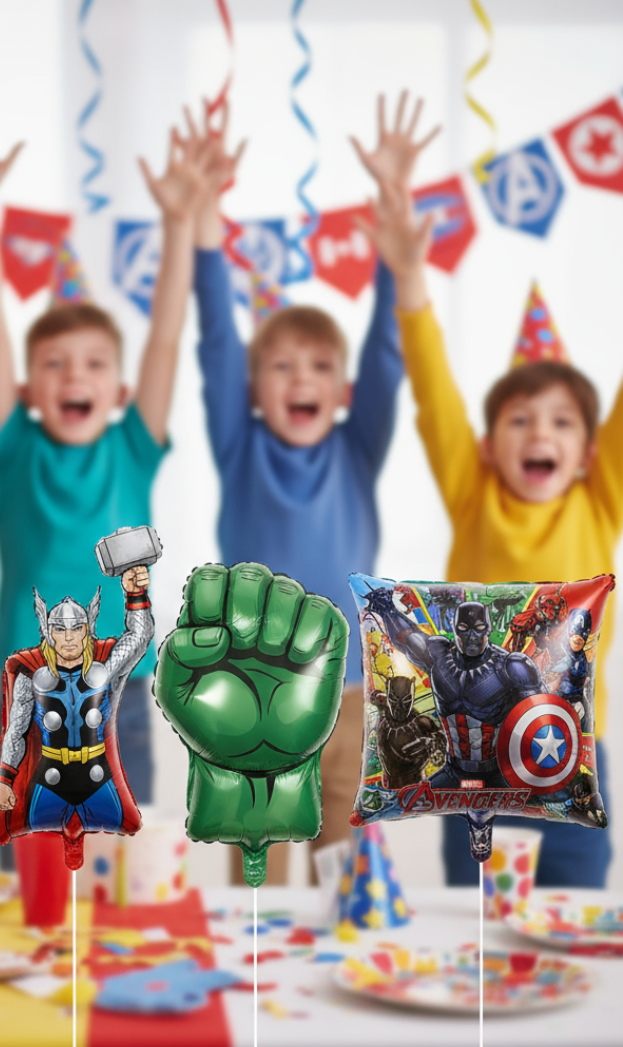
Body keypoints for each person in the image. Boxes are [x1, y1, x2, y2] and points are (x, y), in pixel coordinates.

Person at [0, 104, 212, 865]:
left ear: (121, 389)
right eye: (57, 364)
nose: (75, 375)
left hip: (122, 696)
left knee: (123, 872)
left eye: (95, 363)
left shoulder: (133, 446)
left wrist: (178, 227)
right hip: (31, 691)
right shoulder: (14, 448)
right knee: (28, 870)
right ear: (31, 388)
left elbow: (165, 335)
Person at [188, 94, 437, 882]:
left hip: (352, 687)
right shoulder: (240, 444)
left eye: (321, 367)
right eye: (283, 365)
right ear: (256, 390)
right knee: (255, 859)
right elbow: (219, 342)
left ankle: (335, 982)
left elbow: (392, 357)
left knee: (340, 857)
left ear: (342, 391)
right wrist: (203, 219)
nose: (302, 378)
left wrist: (396, 242)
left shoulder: (357, 447)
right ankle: (252, 977)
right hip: (248, 686)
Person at [361, 164, 623, 887]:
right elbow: (434, 390)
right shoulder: (472, 492)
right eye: (520, 419)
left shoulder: (600, 499)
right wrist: (410, 277)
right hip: (472, 785)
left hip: (566, 765)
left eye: (562, 422)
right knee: (474, 941)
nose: (541, 431)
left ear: (589, 453)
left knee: (572, 939)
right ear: (485, 444)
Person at [0, 564, 154, 868]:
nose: (68, 637)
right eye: (60, 629)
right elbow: (17, 731)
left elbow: (139, 636)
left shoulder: (105, 671)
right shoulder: (31, 677)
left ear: (88, 628)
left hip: (99, 781)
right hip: (48, 783)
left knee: (124, 870)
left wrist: (135, 593)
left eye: (76, 628)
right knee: (30, 876)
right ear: (46, 631)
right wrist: (4, 781)